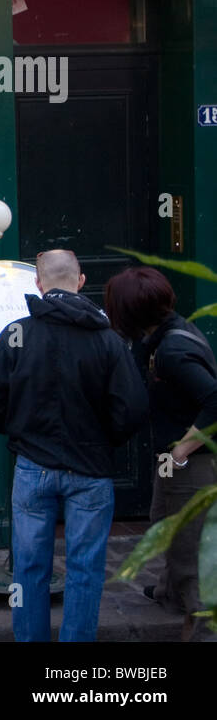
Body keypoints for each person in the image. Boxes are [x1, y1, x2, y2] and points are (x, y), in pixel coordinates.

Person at [0, 249, 148, 642]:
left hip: (33, 467)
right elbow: (134, 408)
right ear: (81, 281)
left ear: (38, 283)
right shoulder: (108, 340)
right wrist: (107, 441)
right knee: (86, 570)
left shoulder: (17, 333)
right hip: (91, 470)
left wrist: (18, 433)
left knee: (29, 569)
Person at [105, 265, 217, 641]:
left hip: (193, 464)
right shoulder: (163, 335)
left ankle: (201, 625)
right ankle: (170, 592)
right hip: (173, 458)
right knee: (162, 521)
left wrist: (182, 451)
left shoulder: (173, 349)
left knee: (191, 552)